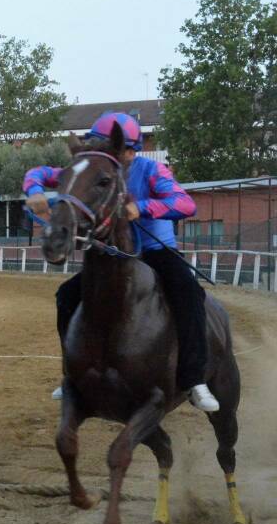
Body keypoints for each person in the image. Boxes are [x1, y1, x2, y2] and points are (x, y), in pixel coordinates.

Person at [24, 112, 219, 412]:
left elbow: (185, 203)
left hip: (156, 252)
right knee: (66, 295)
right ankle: (71, 376)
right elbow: (38, 172)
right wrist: (34, 191)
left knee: (189, 292)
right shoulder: (91, 168)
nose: (106, 151)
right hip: (112, 254)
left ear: (131, 150)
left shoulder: (152, 170)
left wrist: (141, 207)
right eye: (97, 144)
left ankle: (194, 379)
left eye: (113, 147)